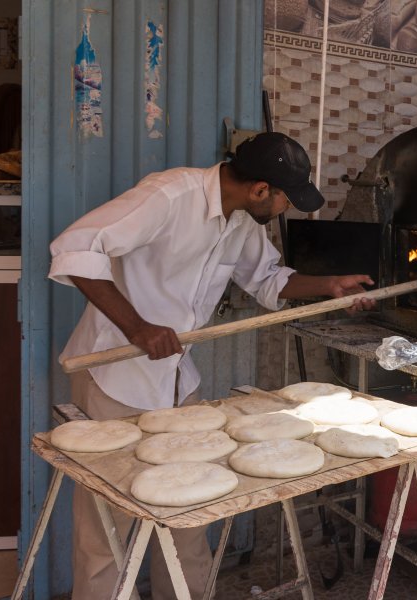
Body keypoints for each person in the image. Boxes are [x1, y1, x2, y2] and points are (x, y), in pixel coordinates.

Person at [48, 132, 374, 600]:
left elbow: (267, 279)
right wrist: (138, 328)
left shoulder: (241, 221)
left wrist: (330, 285)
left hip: (179, 382)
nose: (285, 209)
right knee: (108, 525)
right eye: (285, 198)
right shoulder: (168, 195)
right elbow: (76, 249)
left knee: (191, 510)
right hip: (114, 377)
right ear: (261, 189)